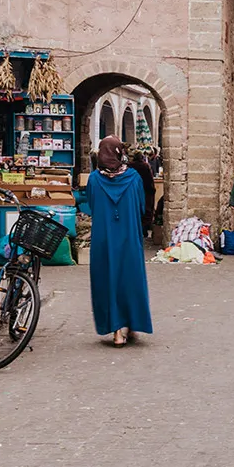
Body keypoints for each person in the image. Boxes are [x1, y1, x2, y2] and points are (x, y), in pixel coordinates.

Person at [90, 137, 153, 347]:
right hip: (129, 236)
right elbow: (142, 206)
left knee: (108, 279)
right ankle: (133, 324)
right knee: (131, 278)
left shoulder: (93, 180)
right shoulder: (134, 177)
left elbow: (91, 205)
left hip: (104, 239)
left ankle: (117, 332)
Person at [127, 147, 156, 242]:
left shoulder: (129, 166)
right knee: (146, 211)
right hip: (145, 190)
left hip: (132, 191)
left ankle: (134, 231)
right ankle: (143, 230)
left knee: (135, 210)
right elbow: (149, 179)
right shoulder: (145, 166)